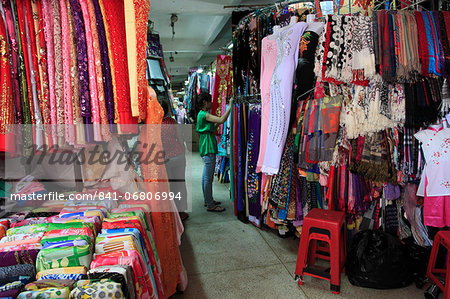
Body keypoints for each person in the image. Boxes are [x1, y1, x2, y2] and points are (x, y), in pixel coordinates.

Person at [196, 92, 233, 212]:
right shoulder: (205, 114)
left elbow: (213, 125)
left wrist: (216, 125)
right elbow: (222, 120)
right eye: (210, 101)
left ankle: (208, 200)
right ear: (205, 102)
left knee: (205, 177)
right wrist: (230, 106)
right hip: (208, 145)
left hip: (205, 143)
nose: (212, 103)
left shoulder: (202, 115)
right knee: (208, 178)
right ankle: (210, 204)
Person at [160, 100, 189, 221]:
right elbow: (180, 140)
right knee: (180, 184)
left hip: (164, 159)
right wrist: (183, 155)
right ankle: (181, 212)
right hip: (177, 156)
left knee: (168, 187)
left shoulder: (152, 124)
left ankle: (172, 214)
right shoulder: (172, 122)